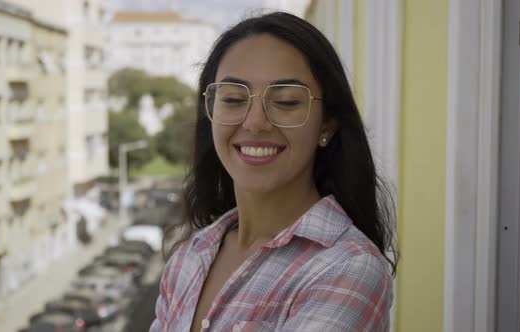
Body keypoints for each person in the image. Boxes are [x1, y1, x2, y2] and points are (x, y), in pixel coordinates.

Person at [150, 11, 398, 332]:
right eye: (234, 98)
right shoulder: (190, 256)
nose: (255, 122)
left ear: (327, 124)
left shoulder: (348, 269)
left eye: (286, 101)